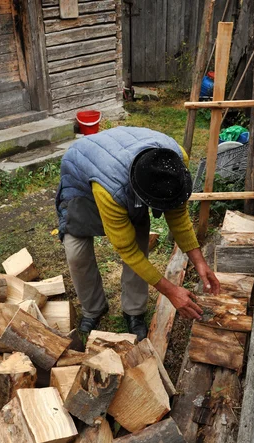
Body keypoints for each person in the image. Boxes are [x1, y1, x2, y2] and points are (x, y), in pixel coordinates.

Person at [56, 126, 220, 340]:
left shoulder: (176, 161)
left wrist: (199, 262)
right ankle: (93, 309)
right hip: (81, 176)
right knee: (77, 253)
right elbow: (127, 250)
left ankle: (134, 312)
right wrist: (170, 290)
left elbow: (178, 217)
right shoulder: (110, 189)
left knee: (139, 239)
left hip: (119, 162)